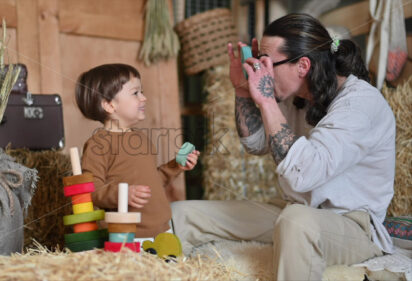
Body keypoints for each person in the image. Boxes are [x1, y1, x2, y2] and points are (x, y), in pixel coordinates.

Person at [171, 13, 395, 280]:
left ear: (302, 65)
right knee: (182, 214)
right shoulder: (299, 94)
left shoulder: (359, 104)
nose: (260, 70)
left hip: (353, 226)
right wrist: (243, 90)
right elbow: (255, 143)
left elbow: (303, 175)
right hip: (294, 211)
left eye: (267, 63)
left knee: (296, 222)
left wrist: (266, 101)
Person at [75, 63, 200, 240]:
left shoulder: (141, 139)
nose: (144, 98)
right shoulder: (98, 144)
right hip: (127, 234)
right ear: (110, 105)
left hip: (163, 230)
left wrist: (176, 165)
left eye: (142, 92)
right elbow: (91, 190)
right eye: (135, 93)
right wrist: (123, 194)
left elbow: (153, 182)